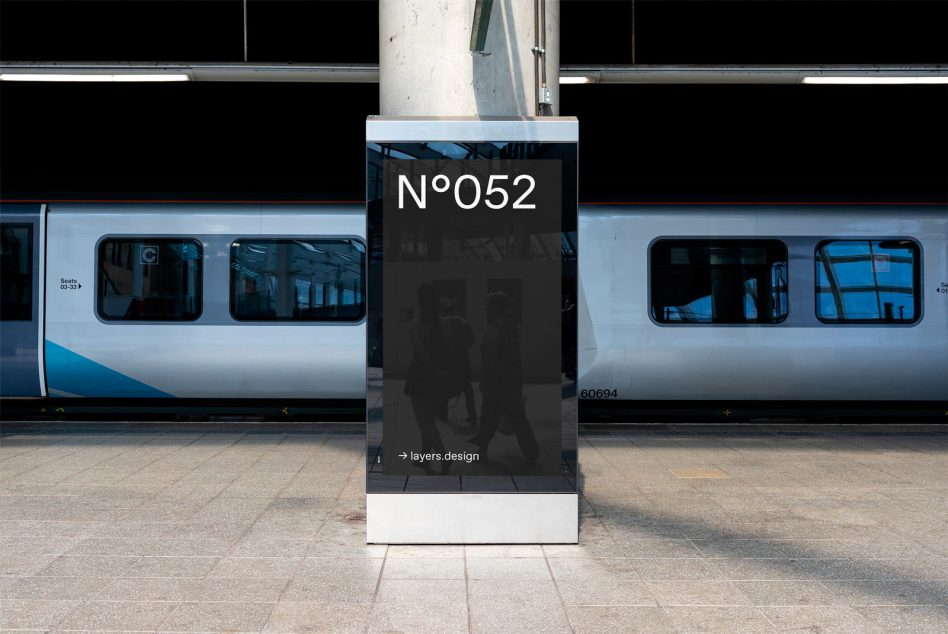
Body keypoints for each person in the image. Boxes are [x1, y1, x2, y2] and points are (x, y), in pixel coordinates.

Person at [467, 291, 539, 463]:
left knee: (488, 415)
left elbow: (491, 358)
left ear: (495, 308)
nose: (485, 310)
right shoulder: (511, 326)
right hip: (513, 380)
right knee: (518, 417)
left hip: (497, 381)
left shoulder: (494, 329)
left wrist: (484, 381)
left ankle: (482, 448)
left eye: (488, 307)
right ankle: (531, 452)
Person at [403, 283, 451, 474]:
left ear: (419, 302)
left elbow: (421, 353)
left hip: (422, 374)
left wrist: (433, 371)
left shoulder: (415, 325)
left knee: (424, 421)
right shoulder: (443, 323)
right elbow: (448, 350)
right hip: (438, 375)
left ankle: (444, 457)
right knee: (429, 417)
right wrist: (441, 373)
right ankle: (424, 458)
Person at [438, 297, 477, 428]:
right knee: (467, 388)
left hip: (450, 360)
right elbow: (472, 340)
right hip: (463, 360)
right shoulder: (465, 323)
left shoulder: (443, 323)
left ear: (445, 312)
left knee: (445, 386)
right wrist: (463, 347)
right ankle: (472, 415)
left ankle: (442, 412)